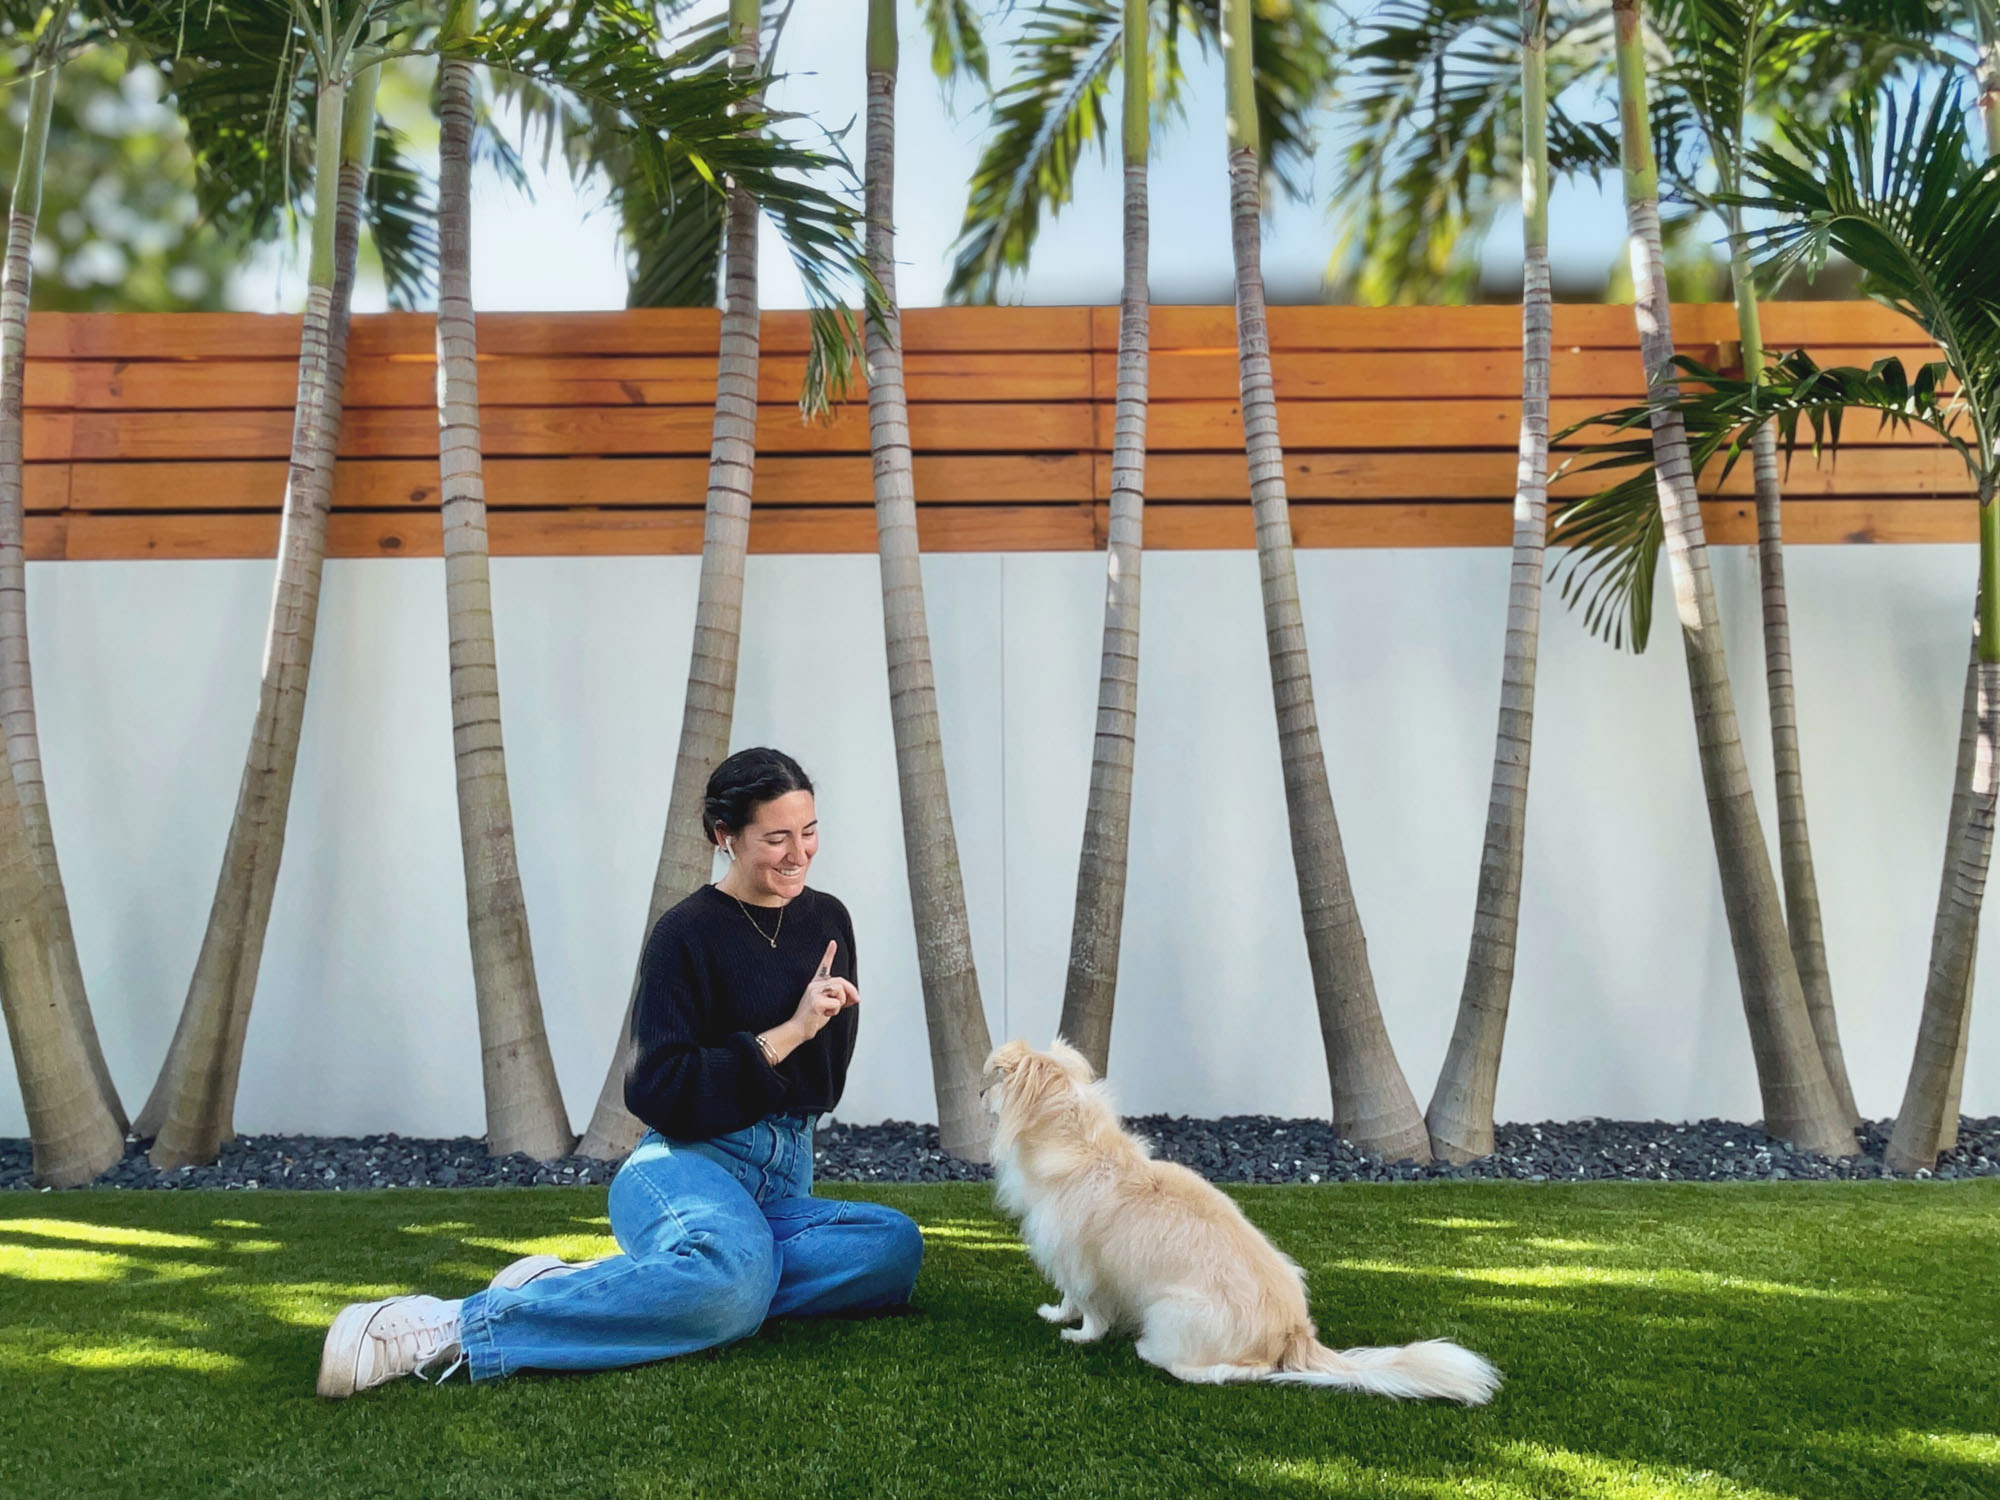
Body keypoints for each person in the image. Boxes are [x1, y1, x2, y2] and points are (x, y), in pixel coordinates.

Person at [317, 747, 924, 1397]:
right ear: (726, 837)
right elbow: (658, 1089)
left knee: (890, 1248)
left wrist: (819, 1027)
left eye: (808, 832)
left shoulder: (828, 919)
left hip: (784, 1176)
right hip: (689, 1165)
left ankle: (601, 1287)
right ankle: (449, 1327)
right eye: (775, 838)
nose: (798, 854)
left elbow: (819, 1088)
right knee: (735, 1284)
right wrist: (788, 1034)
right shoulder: (685, 933)